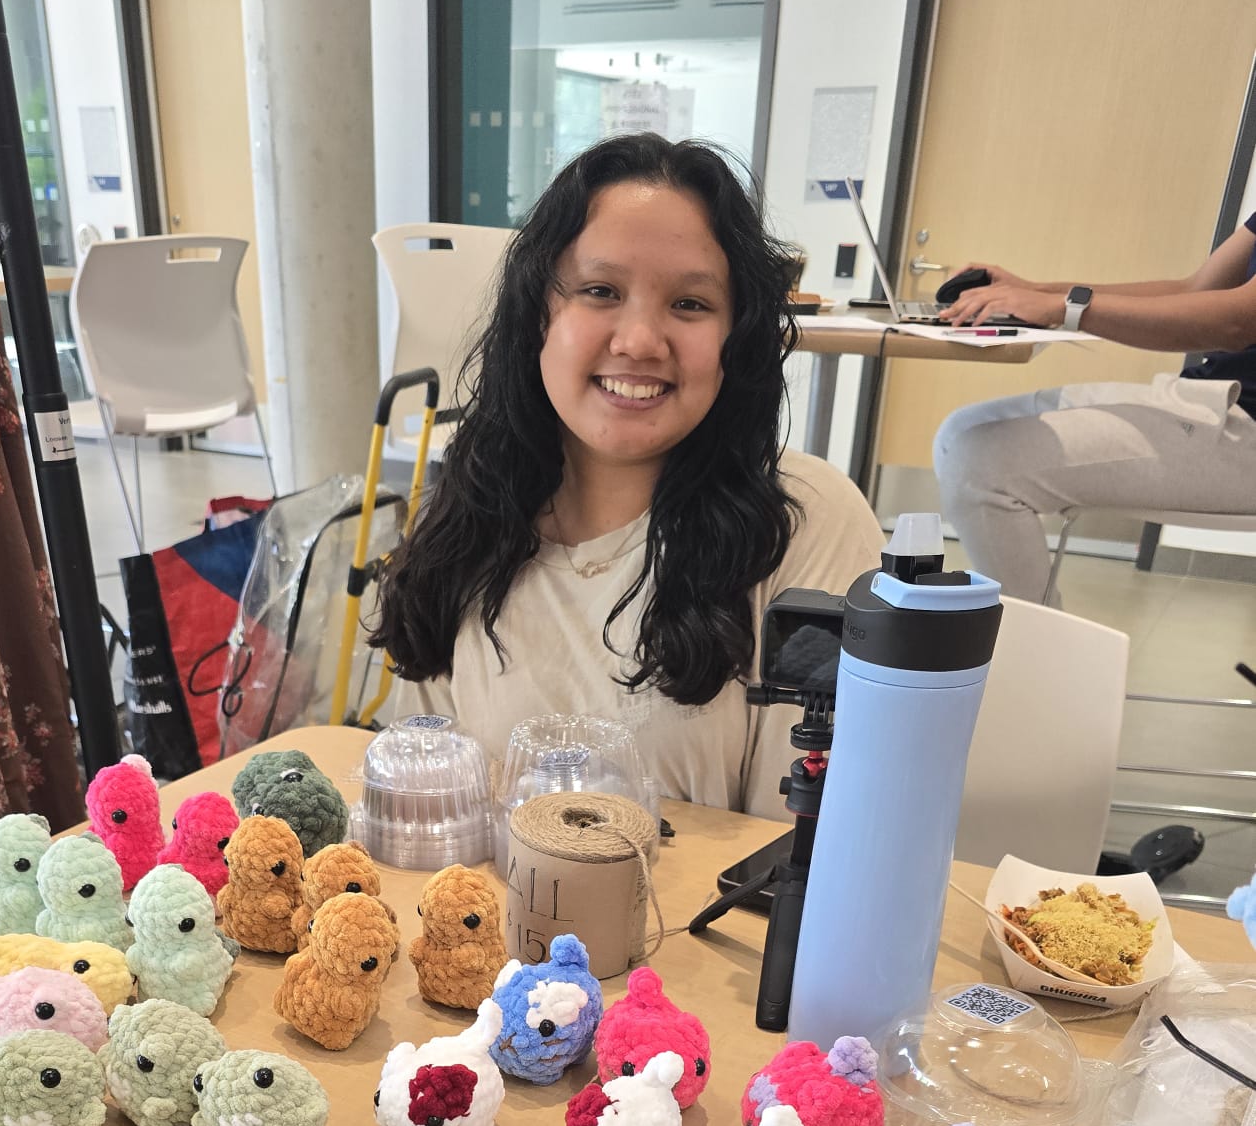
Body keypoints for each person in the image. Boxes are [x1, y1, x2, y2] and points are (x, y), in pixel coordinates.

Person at [371, 134, 882, 818]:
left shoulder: (807, 523)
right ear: (538, 316)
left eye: (691, 304)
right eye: (600, 290)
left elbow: (798, 847)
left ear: (738, 338)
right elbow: (428, 815)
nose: (640, 341)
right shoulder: (470, 515)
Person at [933, 215, 1256, 600]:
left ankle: (1035, 654)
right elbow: (1196, 288)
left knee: (978, 463)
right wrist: (1030, 290)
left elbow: (1239, 321)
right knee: (958, 432)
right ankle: (1032, 640)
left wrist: (1065, 309)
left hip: (1246, 428)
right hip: (1211, 396)